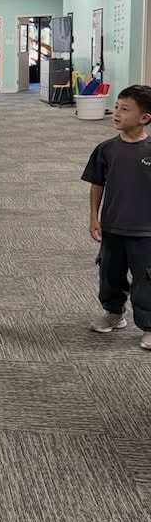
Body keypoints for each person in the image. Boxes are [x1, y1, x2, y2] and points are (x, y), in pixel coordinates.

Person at [82, 84, 151, 349]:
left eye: (125, 109)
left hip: (145, 231)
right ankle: (113, 313)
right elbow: (96, 185)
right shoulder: (106, 149)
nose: (117, 113)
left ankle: (148, 325)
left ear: (144, 118)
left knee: (146, 280)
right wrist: (94, 217)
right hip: (112, 227)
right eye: (117, 107)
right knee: (110, 275)